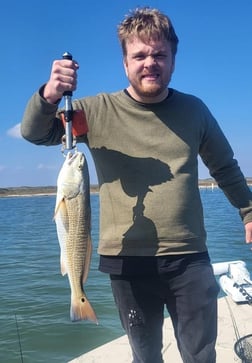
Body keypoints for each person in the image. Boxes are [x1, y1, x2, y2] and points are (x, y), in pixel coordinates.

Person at [21, 7, 252, 363]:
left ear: (173, 59)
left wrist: (248, 210)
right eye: (139, 55)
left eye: (159, 54)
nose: (150, 62)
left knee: (200, 353)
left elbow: (224, 166)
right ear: (124, 62)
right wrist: (48, 96)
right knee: (145, 355)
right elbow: (36, 133)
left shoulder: (195, 111)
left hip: (189, 258)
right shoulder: (95, 111)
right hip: (126, 261)